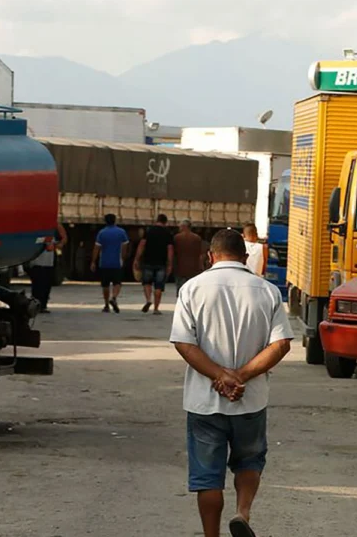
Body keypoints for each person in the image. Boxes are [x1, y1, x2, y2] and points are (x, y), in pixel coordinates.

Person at [170, 229, 293, 537]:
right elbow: (281, 345)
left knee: (207, 478)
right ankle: (243, 513)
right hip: (250, 400)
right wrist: (242, 377)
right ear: (246, 255)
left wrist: (220, 375)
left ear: (210, 256)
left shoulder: (192, 289)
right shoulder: (267, 290)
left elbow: (185, 344)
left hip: (204, 402)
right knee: (249, 460)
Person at [134, 214, 175, 315]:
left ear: (157, 220)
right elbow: (170, 249)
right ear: (165, 222)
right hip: (161, 263)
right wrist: (170, 264)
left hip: (148, 261)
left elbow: (142, 245)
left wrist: (137, 259)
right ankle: (156, 309)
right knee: (159, 286)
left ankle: (148, 300)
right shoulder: (167, 233)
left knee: (147, 283)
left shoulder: (149, 231)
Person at [91, 214, 129, 313]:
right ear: (115, 220)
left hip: (104, 262)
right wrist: (123, 258)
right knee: (117, 283)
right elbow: (124, 247)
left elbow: (97, 248)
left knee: (105, 284)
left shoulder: (102, 233)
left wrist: (93, 261)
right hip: (117, 262)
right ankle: (114, 297)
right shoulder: (121, 232)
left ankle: (106, 305)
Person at [28, 223, 68, 314]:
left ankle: (42, 305)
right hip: (37, 262)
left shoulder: (52, 231)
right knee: (38, 285)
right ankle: (37, 305)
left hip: (47, 263)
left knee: (45, 285)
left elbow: (63, 238)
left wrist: (58, 245)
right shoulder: (36, 231)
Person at [173, 218, 205, 295]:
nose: (179, 228)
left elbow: (174, 253)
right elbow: (200, 254)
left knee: (181, 289)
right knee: (192, 290)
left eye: (180, 227)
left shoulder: (177, 238)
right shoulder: (197, 238)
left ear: (184, 226)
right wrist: (201, 267)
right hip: (194, 268)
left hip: (180, 268)